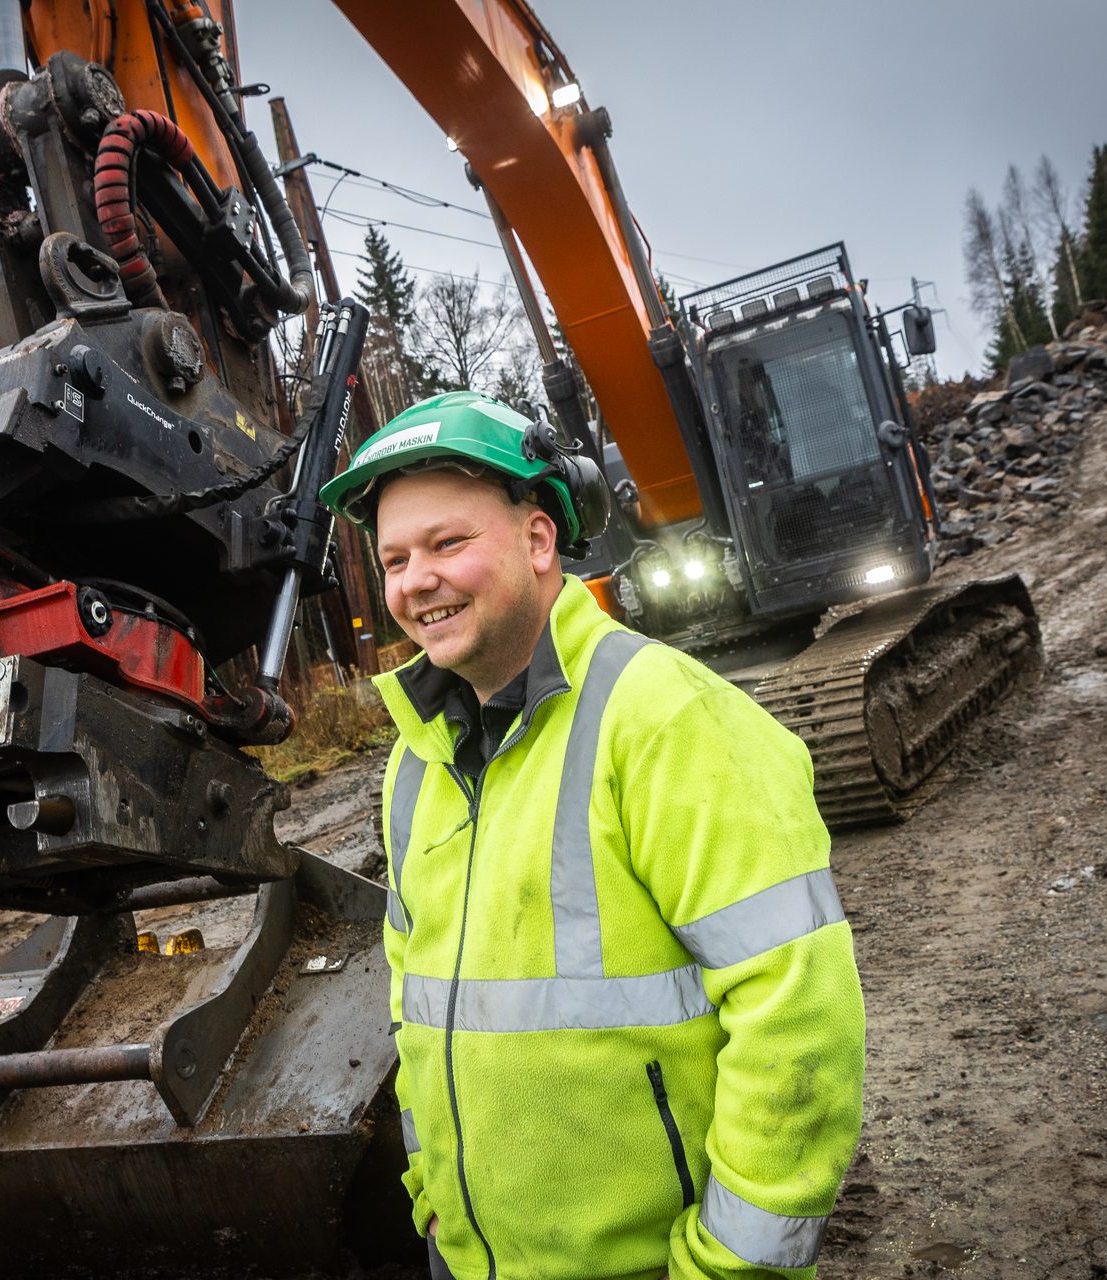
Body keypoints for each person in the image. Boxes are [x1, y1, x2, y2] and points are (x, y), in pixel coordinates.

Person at [319, 391, 867, 1280]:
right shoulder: (416, 761)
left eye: (448, 543)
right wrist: (432, 1197)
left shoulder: (665, 716)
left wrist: (727, 1268)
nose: (414, 580)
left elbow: (798, 1015)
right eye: (394, 558)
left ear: (540, 542)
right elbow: (415, 1005)